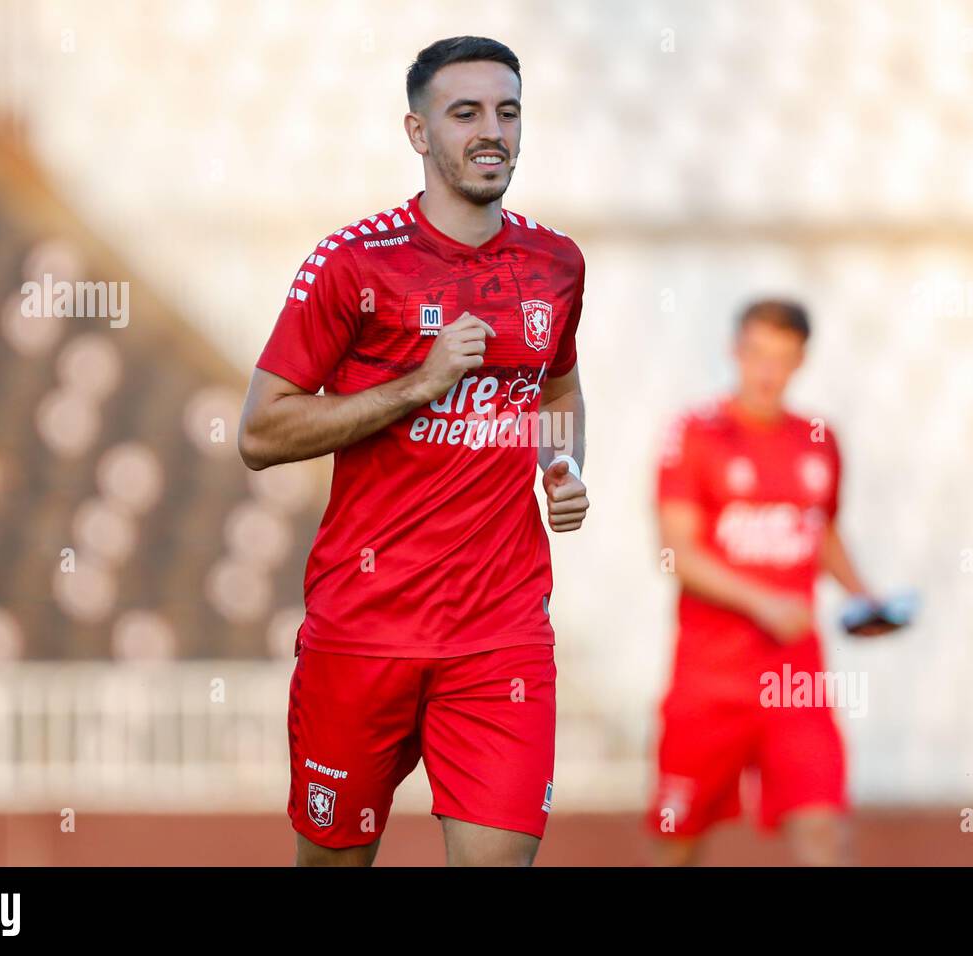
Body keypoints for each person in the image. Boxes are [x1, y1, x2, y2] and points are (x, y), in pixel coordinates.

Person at [238, 36, 589, 867]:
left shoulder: (555, 265)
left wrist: (563, 467)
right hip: (365, 628)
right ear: (418, 131)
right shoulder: (354, 263)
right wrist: (414, 386)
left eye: (506, 111)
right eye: (464, 113)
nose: (490, 131)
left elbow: (560, 389)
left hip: (499, 630)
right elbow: (259, 432)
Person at [648, 299, 895, 866]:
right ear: (735, 352)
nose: (767, 372)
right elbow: (676, 552)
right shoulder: (694, 434)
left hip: (795, 680)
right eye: (757, 353)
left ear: (801, 361)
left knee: (823, 831)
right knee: (678, 842)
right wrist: (763, 602)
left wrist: (864, 597)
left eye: (782, 358)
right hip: (709, 682)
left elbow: (822, 532)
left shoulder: (819, 441)